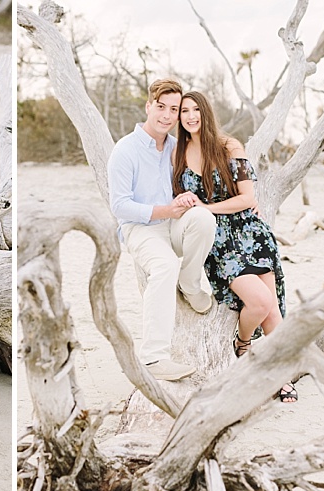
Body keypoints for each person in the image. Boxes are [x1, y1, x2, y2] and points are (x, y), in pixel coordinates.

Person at [172, 90, 296, 403]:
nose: (190, 116)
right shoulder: (177, 154)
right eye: (184, 111)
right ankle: (243, 345)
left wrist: (204, 207)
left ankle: (278, 375)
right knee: (258, 302)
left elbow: (248, 198)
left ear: (205, 113)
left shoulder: (229, 146)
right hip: (217, 243)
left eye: (195, 110)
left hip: (249, 233)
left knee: (272, 315)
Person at [108, 79, 217, 382]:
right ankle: (154, 357)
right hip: (140, 228)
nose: (167, 116)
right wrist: (165, 210)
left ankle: (191, 283)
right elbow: (119, 206)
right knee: (165, 265)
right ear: (148, 106)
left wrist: (181, 200)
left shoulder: (175, 147)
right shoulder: (125, 150)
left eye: (174, 109)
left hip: (173, 223)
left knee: (205, 219)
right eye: (161, 107)